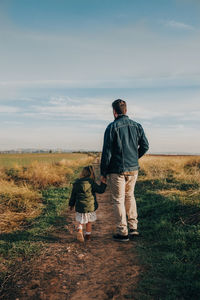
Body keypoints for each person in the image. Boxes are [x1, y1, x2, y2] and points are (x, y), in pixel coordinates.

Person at [100, 99, 149, 242]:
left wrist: (103, 173)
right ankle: (133, 229)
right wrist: (134, 158)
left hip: (117, 170)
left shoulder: (111, 127)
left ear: (114, 112)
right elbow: (145, 146)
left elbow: (107, 152)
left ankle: (122, 232)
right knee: (130, 196)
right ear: (125, 110)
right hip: (133, 169)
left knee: (118, 200)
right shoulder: (137, 126)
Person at [69, 165, 107, 242]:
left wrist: (71, 205)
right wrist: (103, 183)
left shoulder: (76, 183)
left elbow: (73, 195)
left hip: (80, 207)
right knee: (89, 222)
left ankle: (80, 230)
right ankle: (88, 236)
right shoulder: (91, 182)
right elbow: (100, 190)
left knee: (81, 221)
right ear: (92, 174)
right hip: (90, 207)